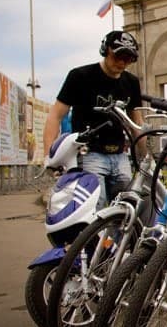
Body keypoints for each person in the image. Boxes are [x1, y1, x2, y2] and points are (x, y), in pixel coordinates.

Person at [43, 30, 144, 207]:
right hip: (89, 154)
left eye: (128, 59)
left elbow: (136, 123)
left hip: (120, 156)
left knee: (126, 208)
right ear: (105, 50)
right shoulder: (80, 76)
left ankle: (114, 236)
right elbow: (56, 115)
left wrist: (145, 156)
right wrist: (48, 155)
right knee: (95, 207)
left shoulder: (131, 82)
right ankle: (94, 235)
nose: (121, 63)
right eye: (118, 56)